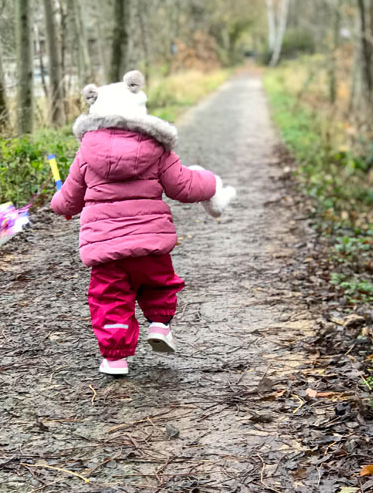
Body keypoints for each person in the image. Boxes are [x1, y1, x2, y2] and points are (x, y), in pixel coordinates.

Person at [50, 70, 236, 376]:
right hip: (150, 246)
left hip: (106, 249)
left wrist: (59, 206)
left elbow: (69, 198)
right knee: (159, 285)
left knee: (109, 300)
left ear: (95, 110)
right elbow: (184, 186)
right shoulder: (157, 150)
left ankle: (114, 359)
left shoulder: (86, 153)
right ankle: (160, 326)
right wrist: (212, 184)